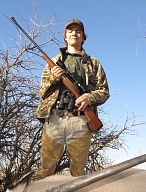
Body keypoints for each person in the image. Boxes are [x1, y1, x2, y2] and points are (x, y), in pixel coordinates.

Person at [34, 19, 109, 179]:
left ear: (83, 37)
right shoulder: (54, 62)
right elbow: (42, 92)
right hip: (55, 119)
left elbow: (104, 91)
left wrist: (89, 97)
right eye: (70, 31)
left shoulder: (93, 63)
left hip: (81, 121)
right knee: (45, 170)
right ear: (65, 37)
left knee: (78, 174)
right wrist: (54, 79)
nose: (74, 33)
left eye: (78, 31)